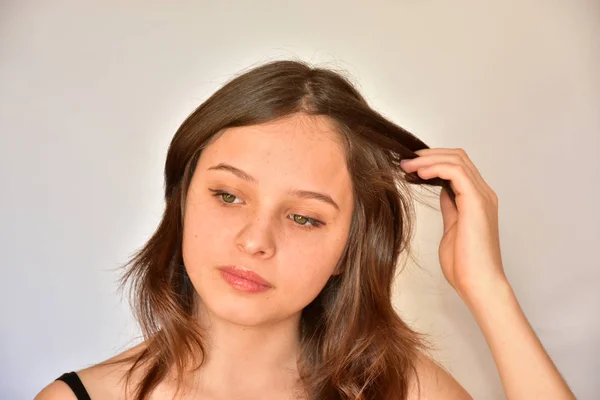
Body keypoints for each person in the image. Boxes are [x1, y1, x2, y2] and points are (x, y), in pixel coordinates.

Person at [35, 60, 575, 400]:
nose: (255, 240)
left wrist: (487, 287)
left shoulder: (401, 389)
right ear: (181, 204)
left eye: (304, 217)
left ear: (347, 250)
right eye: (227, 195)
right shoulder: (77, 398)